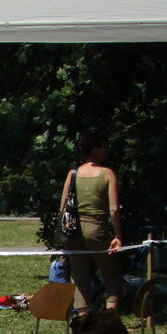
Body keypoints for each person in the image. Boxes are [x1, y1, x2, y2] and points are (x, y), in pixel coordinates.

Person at [58, 132, 124, 316]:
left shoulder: (72, 174)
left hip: (73, 230)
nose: (106, 151)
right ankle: (111, 317)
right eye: (104, 147)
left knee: (79, 277)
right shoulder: (106, 173)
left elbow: (62, 207)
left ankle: (82, 319)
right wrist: (118, 236)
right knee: (112, 274)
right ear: (95, 150)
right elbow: (114, 209)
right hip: (95, 227)